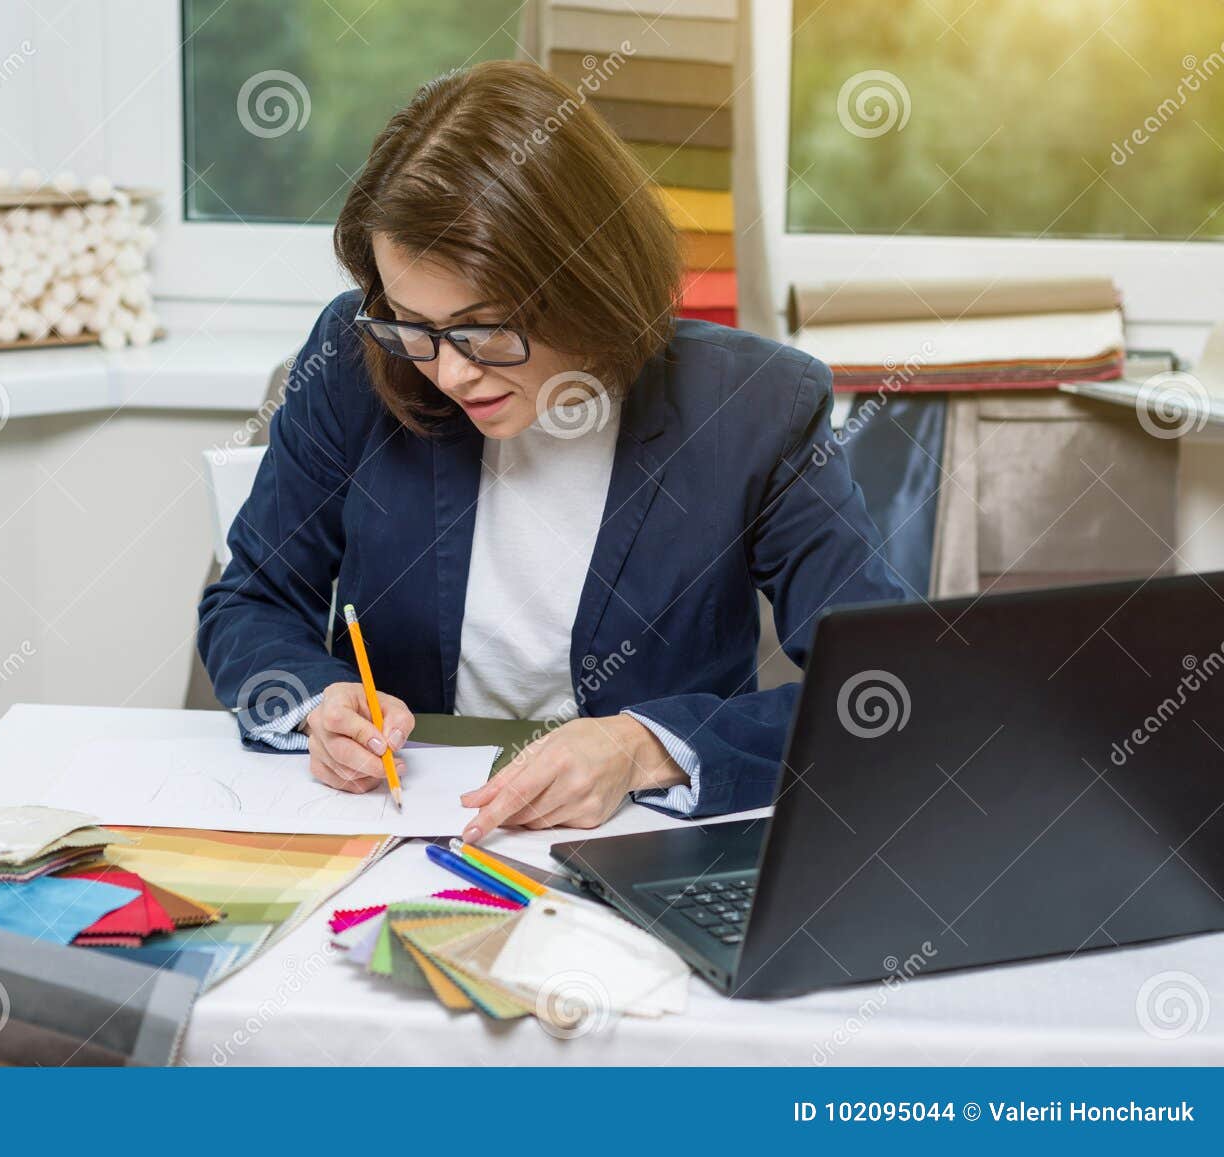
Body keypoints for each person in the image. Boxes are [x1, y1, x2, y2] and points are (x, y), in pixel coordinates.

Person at [197, 60, 907, 841]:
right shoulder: (357, 358)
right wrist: (315, 702)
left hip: (640, 847)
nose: (449, 369)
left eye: (484, 327)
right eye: (411, 322)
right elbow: (253, 599)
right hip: (409, 833)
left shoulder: (756, 406)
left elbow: (884, 680)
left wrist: (642, 750)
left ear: (589, 280)